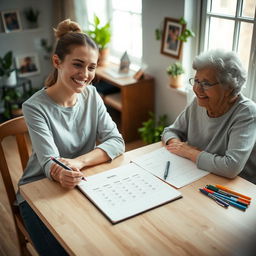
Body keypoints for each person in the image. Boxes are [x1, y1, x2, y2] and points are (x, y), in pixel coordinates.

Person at [16, 19, 125, 256]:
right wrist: (64, 169)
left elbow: (116, 141)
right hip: (37, 192)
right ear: (57, 62)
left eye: (91, 67)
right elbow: (49, 162)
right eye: (78, 64)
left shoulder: (92, 95)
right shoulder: (34, 107)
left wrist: (79, 162)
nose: (85, 75)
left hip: (81, 182)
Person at [162, 49, 256, 184]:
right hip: (200, 175)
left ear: (228, 87)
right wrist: (176, 145)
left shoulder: (246, 113)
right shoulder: (198, 102)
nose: (197, 89)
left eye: (206, 83)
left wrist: (190, 152)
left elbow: (231, 167)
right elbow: (170, 131)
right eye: (196, 81)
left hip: (235, 188)